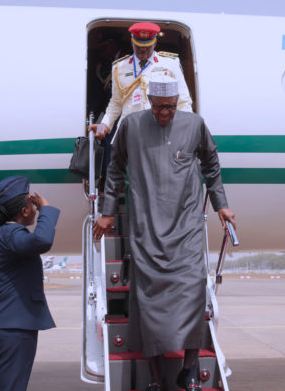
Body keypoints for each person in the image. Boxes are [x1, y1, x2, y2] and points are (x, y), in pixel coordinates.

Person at [93, 76, 236, 391]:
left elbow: (211, 165)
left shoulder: (194, 125)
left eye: (170, 108)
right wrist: (106, 212)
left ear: (177, 104)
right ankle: (157, 379)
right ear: (149, 102)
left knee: (194, 293)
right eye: (158, 108)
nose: (164, 114)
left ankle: (189, 369)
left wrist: (220, 205)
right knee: (147, 304)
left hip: (185, 226)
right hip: (145, 226)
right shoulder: (130, 126)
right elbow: (115, 168)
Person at [0, 176, 60, 391]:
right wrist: (47, 210)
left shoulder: (5, 233)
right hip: (11, 323)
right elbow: (42, 241)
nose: (34, 209)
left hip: (7, 321)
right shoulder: (11, 233)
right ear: (24, 211)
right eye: (31, 206)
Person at [87, 22, 193, 140]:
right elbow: (116, 102)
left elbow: (183, 101)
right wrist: (104, 125)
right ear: (132, 43)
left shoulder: (170, 64)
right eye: (138, 46)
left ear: (155, 43)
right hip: (130, 133)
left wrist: (188, 129)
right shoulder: (119, 67)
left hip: (160, 133)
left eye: (147, 46)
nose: (143, 50)